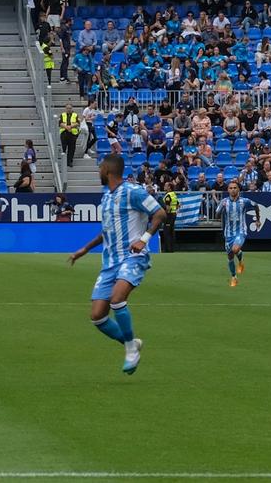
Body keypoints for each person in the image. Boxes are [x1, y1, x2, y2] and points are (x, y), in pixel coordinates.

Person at [66, 152, 164, 375]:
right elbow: (108, 230)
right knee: (97, 316)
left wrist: (144, 239)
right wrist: (85, 249)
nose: (98, 171)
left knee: (117, 299)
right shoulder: (107, 197)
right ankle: (131, 342)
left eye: (100, 168)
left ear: (108, 171)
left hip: (132, 256)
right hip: (110, 262)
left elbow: (160, 213)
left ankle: (131, 350)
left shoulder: (133, 191)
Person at [220, 180, 251, 288]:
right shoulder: (224, 201)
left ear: (238, 189)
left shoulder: (244, 201)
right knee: (230, 256)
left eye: (235, 188)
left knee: (235, 249)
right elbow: (217, 212)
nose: (233, 190)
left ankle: (240, 259)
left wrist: (258, 219)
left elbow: (255, 206)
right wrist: (222, 207)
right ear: (228, 190)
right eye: (231, 188)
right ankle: (234, 277)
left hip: (241, 231)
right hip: (228, 233)